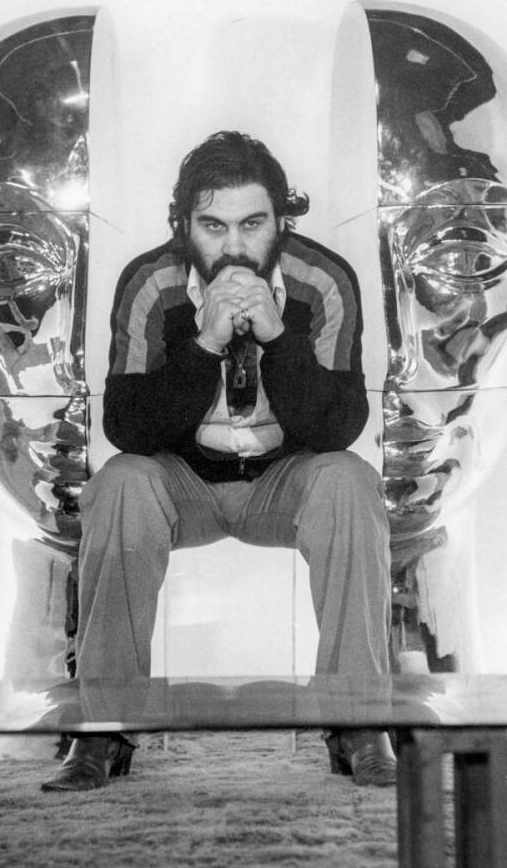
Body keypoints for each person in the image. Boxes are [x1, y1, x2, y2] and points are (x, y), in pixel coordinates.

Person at [41, 130, 396, 792]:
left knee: (351, 482)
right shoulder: (151, 283)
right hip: (184, 484)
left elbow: (338, 427)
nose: (234, 246)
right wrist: (204, 343)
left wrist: (278, 337)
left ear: (282, 222)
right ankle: (102, 727)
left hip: (284, 480)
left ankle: (358, 721)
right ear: (182, 225)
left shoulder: (324, 281)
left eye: (252, 224)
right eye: (213, 226)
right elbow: (128, 429)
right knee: (119, 484)